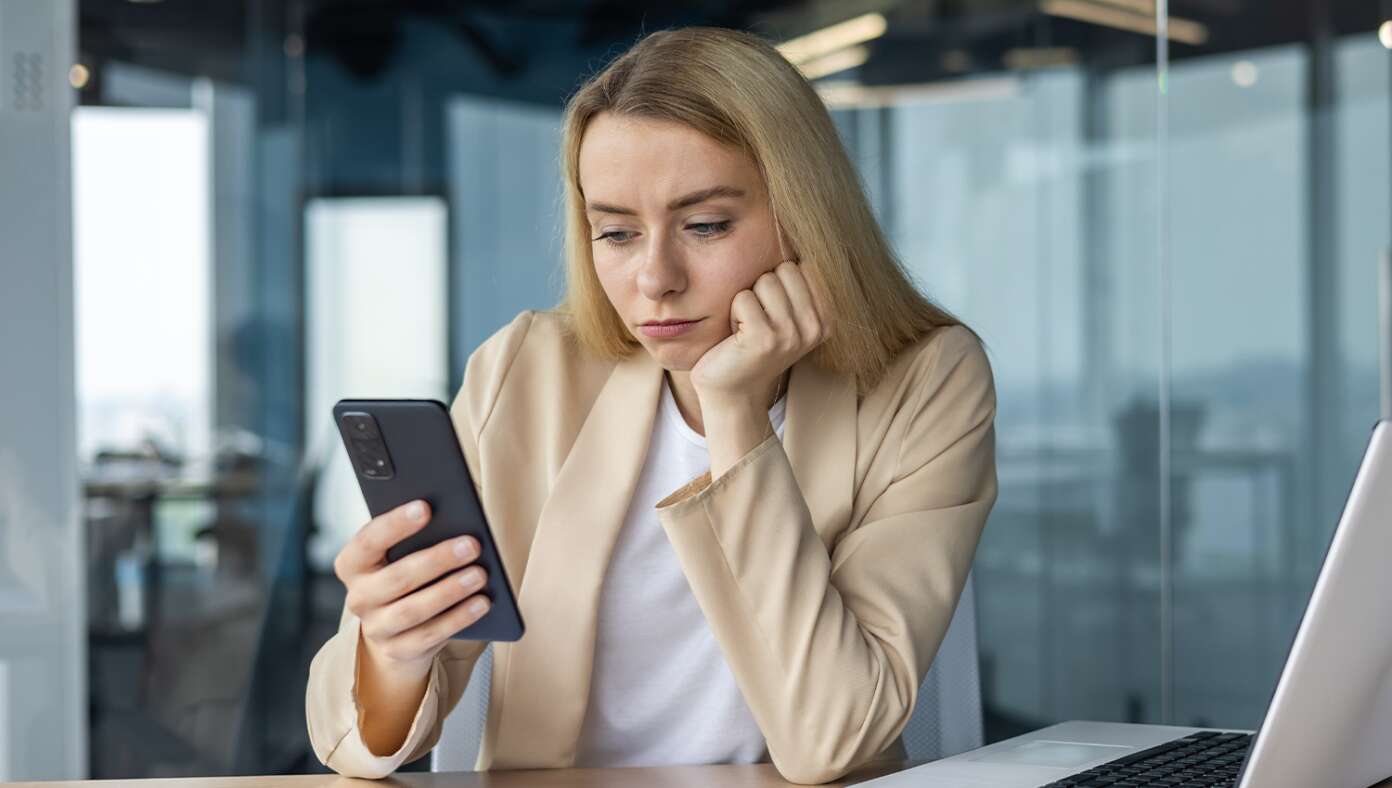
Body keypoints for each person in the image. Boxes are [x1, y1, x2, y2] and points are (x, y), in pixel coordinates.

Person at [305, 26, 998, 785]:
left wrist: (733, 412)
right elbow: (350, 744)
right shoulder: (527, 371)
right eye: (615, 233)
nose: (655, 277)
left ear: (808, 216)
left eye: (705, 226)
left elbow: (833, 741)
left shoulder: (926, 378)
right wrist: (393, 652)